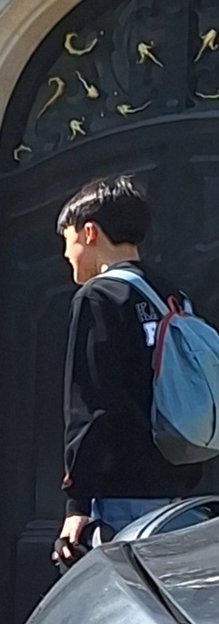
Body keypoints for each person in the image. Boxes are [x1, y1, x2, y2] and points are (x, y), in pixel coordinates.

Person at [53, 172, 200, 567]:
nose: (66, 255)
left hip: (121, 496)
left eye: (66, 242)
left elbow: (91, 404)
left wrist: (77, 502)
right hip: (179, 495)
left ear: (89, 233)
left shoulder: (98, 297)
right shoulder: (172, 295)